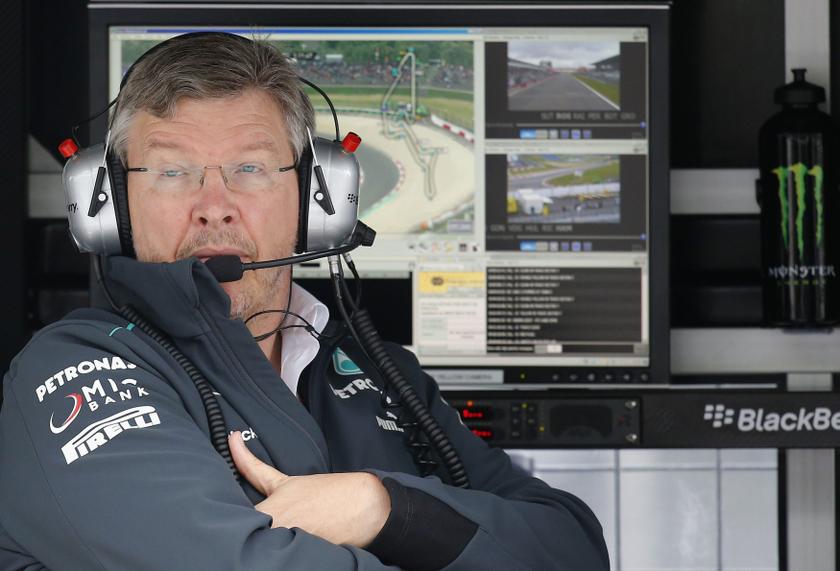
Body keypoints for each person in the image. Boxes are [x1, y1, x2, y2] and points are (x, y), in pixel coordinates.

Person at [0, 32, 609, 570]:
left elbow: (572, 548)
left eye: (251, 167)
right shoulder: (69, 373)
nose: (215, 204)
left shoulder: (382, 373)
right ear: (111, 206)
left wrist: (382, 508)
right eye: (171, 172)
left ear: (318, 201)